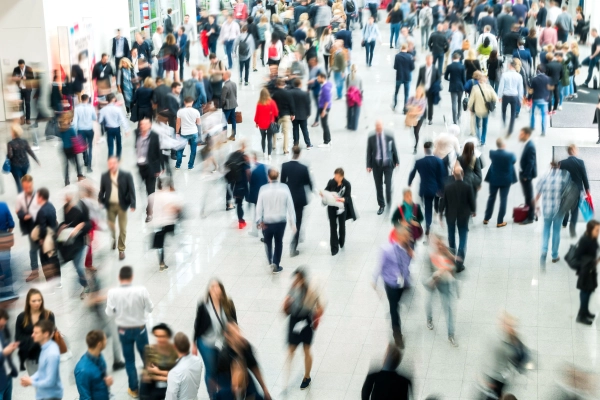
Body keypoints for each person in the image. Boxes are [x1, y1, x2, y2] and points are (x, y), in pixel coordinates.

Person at [105, 266, 154, 399]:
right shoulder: (141, 290)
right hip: (140, 329)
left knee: (129, 360)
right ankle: (149, 386)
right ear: (131, 277)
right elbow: (150, 308)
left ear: (119, 278)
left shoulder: (112, 292)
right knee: (146, 358)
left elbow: (109, 312)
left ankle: (133, 389)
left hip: (123, 330)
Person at [192, 280, 237, 398]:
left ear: (222, 290)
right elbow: (197, 324)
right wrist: (194, 343)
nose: (215, 290)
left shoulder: (228, 304)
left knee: (224, 369)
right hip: (206, 342)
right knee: (211, 370)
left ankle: (225, 393)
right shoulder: (203, 305)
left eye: (218, 287)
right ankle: (213, 395)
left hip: (223, 342)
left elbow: (234, 323)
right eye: (212, 287)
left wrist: (234, 338)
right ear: (209, 291)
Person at [283, 268, 323, 390]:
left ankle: (307, 376)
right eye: (295, 278)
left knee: (306, 349)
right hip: (294, 320)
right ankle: (287, 376)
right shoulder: (292, 289)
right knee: (291, 350)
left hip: (306, 321)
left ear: (303, 279)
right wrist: (286, 306)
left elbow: (320, 308)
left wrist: (316, 314)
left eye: (298, 278)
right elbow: (286, 309)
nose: (296, 281)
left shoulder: (311, 292)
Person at [373, 225, 412, 349]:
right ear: (398, 236)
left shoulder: (407, 248)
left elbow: (406, 264)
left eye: (408, 236)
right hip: (391, 284)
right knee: (394, 309)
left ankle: (394, 309)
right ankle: (397, 334)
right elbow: (379, 266)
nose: (408, 238)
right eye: (406, 236)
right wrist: (374, 280)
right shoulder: (387, 250)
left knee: (398, 303)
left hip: (403, 282)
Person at [215, 322, 272, 400]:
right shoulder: (224, 356)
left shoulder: (245, 346)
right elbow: (221, 382)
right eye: (234, 333)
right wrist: (234, 387)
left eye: (238, 331)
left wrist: (265, 389)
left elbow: (254, 367)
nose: (238, 335)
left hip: (244, 378)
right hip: (229, 381)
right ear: (227, 336)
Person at [256, 168, 296, 273]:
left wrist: (258, 220)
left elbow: (259, 207)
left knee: (268, 243)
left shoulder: (263, 189)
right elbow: (290, 206)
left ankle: (270, 261)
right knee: (279, 242)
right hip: (281, 221)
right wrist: (293, 223)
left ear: (268, 177)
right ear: (278, 176)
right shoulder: (285, 188)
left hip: (267, 222)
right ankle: (276, 264)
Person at [480, 313, 529, 400]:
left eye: (512, 325)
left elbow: (520, 357)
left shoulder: (514, 340)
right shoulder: (500, 341)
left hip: (501, 377)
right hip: (497, 377)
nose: (512, 328)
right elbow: (492, 361)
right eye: (508, 325)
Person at [98, 157, 136, 260]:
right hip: (110, 205)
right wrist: (100, 201)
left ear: (117, 164)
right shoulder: (105, 176)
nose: (112, 165)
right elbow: (102, 191)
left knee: (123, 228)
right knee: (111, 227)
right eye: (110, 164)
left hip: (122, 205)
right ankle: (114, 238)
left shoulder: (126, 175)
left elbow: (132, 189)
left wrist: (133, 204)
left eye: (114, 163)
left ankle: (121, 249)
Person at [440, 167, 476, 273]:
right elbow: (471, 200)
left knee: (451, 236)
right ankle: (459, 264)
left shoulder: (448, 187)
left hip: (450, 215)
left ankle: (451, 259)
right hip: (463, 216)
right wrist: (473, 211)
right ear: (463, 174)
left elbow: (443, 201)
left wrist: (440, 213)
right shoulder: (468, 187)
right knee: (463, 237)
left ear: (453, 174)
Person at [535, 161, 570, 266]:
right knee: (556, 232)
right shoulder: (564, 177)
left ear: (550, 165)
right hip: (559, 209)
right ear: (559, 166)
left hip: (547, 209)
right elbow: (568, 193)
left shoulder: (544, 177)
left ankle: (544, 251)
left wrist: (537, 207)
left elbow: (538, 194)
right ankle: (554, 255)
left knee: (546, 229)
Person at [408, 142, 446, 236]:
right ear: (432, 149)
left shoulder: (419, 161)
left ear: (424, 149)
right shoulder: (439, 161)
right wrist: (442, 188)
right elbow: (442, 176)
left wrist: (409, 182)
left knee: (427, 207)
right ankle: (436, 213)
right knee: (436, 204)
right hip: (436, 188)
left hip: (424, 189)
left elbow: (412, 173)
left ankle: (428, 224)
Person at [281, 147, 313, 257]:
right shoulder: (303, 168)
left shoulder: (285, 166)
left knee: (292, 218)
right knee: (298, 221)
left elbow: (282, 182)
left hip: (289, 197)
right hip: (300, 198)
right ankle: (293, 245)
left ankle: (295, 229)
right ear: (300, 154)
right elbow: (308, 183)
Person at [19, 320, 62, 399]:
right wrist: (30, 379)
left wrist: (31, 382)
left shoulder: (51, 354)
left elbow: (50, 382)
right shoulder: (45, 348)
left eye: (36, 333)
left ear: (45, 334)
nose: (32, 335)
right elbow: (42, 371)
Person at [15, 289, 56, 375]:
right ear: (28, 302)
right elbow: (18, 338)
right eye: (34, 301)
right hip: (31, 358)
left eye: (39, 300)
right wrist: (38, 338)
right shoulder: (22, 317)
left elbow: (51, 335)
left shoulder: (48, 315)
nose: (37, 303)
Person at [366, 121, 400, 215]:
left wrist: (397, 161)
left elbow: (394, 149)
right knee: (378, 185)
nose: (379, 128)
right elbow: (369, 151)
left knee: (388, 185)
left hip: (388, 164)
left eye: (380, 126)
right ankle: (381, 205)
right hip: (376, 165)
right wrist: (368, 165)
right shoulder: (371, 137)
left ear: (383, 126)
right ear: (375, 127)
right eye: (377, 127)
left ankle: (389, 201)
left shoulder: (389, 136)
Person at [151, 177, 184, 271]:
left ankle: (161, 262)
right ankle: (178, 242)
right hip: (168, 222)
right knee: (170, 234)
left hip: (157, 223)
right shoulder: (169, 195)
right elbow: (176, 208)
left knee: (160, 242)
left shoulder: (153, 196)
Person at [484, 138, 518, 227]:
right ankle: (499, 221)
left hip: (494, 179)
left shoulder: (492, 153)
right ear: (504, 145)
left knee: (491, 197)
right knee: (503, 199)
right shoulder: (510, 155)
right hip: (505, 180)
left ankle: (486, 218)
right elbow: (514, 161)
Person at [139, 323, 178, 400]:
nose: (159, 339)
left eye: (162, 336)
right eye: (157, 336)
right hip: (156, 385)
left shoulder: (175, 351)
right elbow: (148, 374)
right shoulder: (150, 349)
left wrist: (158, 372)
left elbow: (178, 377)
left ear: (168, 336)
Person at [323, 168, 356, 256]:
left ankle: (341, 241)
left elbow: (348, 197)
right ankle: (334, 247)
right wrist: (324, 194)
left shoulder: (347, 184)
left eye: (337, 177)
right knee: (333, 227)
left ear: (342, 177)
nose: (335, 178)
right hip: (332, 208)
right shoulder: (331, 182)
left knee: (342, 226)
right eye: (335, 176)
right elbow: (326, 191)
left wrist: (343, 199)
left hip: (341, 208)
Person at [15, 175, 42, 281]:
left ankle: (49, 269)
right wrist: (23, 215)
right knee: (33, 249)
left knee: (43, 248)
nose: (27, 189)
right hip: (30, 228)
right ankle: (35, 270)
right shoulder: (20, 198)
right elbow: (18, 211)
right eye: (25, 187)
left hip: (40, 226)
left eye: (29, 187)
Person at [74, 330, 114, 400]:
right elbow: (85, 397)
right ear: (99, 344)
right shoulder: (82, 370)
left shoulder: (99, 356)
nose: (106, 341)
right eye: (105, 340)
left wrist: (106, 381)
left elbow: (100, 376)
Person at [31, 188, 61, 284]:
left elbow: (42, 227)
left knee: (45, 261)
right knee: (54, 258)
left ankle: (50, 282)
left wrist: (41, 239)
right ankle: (58, 281)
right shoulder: (51, 206)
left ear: (41, 197)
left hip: (46, 239)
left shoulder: (41, 211)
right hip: (54, 236)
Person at [560, 145, 590, 237]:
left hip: (564, 189)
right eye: (576, 150)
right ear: (573, 151)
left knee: (565, 206)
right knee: (575, 210)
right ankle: (572, 230)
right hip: (577, 189)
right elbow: (584, 177)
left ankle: (564, 222)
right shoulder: (580, 162)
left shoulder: (561, 163)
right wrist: (587, 190)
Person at [573, 220, 599, 325]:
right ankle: (581, 316)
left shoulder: (593, 238)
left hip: (591, 269)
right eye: (597, 230)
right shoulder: (584, 240)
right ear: (590, 229)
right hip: (585, 271)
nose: (598, 232)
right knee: (585, 292)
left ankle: (585, 311)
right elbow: (578, 256)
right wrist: (586, 264)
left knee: (589, 291)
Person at [165, 332, 203, 400]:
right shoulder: (198, 361)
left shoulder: (175, 371)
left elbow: (171, 396)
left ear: (174, 347)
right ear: (188, 345)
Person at [6, 124, 39, 193]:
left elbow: (10, 155)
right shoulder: (24, 141)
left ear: (13, 133)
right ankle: (28, 193)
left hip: (15, 166)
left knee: (18, 183)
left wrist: (6, 154)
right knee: (25, 180)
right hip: (25, 164)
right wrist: (36, 160)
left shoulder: (10, 143)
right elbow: (30, 151)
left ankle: (21, 197)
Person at [467, 74, 498, 146]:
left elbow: (471, 100)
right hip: (486, 110)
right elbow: (495, 98)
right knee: (485, 125)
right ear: (486, 80)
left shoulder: (475, 88)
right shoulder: (489, 88)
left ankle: (478, 138)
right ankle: (483, 140)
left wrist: (469, 107)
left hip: (477, 110)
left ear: (479, 80)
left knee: (477, 125)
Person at [99, 93, 129, 159]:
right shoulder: (118, 109)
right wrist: (126, 129)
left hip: (109, 129)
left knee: (110, 146)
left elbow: (100, 120)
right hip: (117, 129)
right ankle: (118, 158)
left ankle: (111, 160)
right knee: (119, 144)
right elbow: (122, 119)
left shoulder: (103, 110)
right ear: (113, 99)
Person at [498, 60, 524, 136]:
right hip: (514, 95)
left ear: (510, 66)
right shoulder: (519, 76)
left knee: (503, 111)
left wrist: (499, 96)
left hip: (506, 95)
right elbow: (520, 88)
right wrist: (520, 98)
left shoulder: (504, 75)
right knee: (513, 113)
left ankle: (504, 123)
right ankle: (510, 129)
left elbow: (501, 86)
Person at [73, 94, 96, 173]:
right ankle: (89, 166)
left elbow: (75, 121)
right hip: (89, 129)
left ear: (81, 99)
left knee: (83, 146)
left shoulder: (77, 108)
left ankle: (85, 160)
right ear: (87, 99)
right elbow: (94, 118)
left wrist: (74, 132)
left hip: (80, 130)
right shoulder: (91, 107)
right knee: (90, 147)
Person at [175, 97, 201, 170]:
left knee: (180, 150)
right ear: (192, 102)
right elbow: (199, 123)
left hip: (184, 133)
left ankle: (178, 165)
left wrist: (177, 132)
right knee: (193, 150)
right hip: (194, 132)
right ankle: (190, 166)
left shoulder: (180, 112)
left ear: (184, 102)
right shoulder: (196, 111)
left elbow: (178, 123)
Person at [271, 78, 295, 154]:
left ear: (277, 85)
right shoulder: (288, 93)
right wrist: (293, 114)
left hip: (276, 116)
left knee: (274, 131)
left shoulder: (274, 94)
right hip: (286, 115)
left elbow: (272, 105)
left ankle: (274, 145)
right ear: (283, 84)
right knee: (286, 133)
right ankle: (285, 149)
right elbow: (292, 104)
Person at [518, 127, 537, 225]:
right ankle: (529, 213)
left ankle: (530, 217)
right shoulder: (526, 144)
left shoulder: (530, 146)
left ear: (526, 135)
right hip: (523, 174)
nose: (519, 136)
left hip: (526, 176)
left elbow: (531, 163)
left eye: (521, 134)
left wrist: (525, 176)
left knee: (529, 196)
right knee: (527, 195)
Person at [416, 54, 441, 126]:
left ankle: (430, 118)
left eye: (430, 60)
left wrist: (436, 87)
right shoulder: (422, 68)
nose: (429, 61)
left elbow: (438, 79)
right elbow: (419, 79)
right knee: (423, 104)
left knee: (430, 104)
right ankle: (424, 117)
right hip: (423, 89)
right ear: (426, 60)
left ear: (432, 60)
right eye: (428, 60)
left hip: (431, 89)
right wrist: (417, 88)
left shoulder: (435, 69)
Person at [254, 88, 279, 160]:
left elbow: (257, 114)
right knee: (269, 139)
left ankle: (264, 152)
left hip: (261, 124)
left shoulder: (259, 103)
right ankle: (269, 155)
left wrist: (257, 122)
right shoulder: (272, 102)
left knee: (263, 138)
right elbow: (276, 113)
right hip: (270, 124)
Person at [529, 64, 552, 136]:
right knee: (543, 116)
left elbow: (531, 90)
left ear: (537, 71)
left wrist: (529, 98)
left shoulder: (534, 79)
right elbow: (550, 91)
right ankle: (543, 131)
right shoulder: (548, 79)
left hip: (536, 99)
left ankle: (532, 127)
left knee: (533, 113)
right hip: (544, 100)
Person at [0, 309, 18, 399]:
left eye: (3, 326)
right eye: (1, 326)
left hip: (7, 377)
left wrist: (10, 348)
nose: (2, 329)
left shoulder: (1, 332)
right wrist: (4, 353)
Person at [445, 52, 466, 124]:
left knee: (453, 103)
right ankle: (459, 116)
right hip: (460, 86)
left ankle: (454, 120)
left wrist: (450, 80)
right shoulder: (462, 66)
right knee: (459, 101)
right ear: (459, 58)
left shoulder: (449, 66)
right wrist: (465, 87)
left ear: (452, 58)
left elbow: (445, 77)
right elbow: (464, 78)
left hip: (453, 86)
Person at [392, 44, 414, 114]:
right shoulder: (410, 56)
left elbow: (395, 67)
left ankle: (395, 105)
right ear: (407, 48)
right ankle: (405, 109)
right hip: (407, 77)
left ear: (401, 48)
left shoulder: (397, 56)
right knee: (406, 94)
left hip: (399, 76)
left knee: (396, 92)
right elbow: (412, 67)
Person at [289, 79, 312, 148]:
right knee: (304, 129)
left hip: (294, 115)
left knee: (295, 129)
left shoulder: (290, 93)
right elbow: (308, 104)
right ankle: (308, 144)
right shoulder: (305, 93)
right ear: (300, 84)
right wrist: (308, 113)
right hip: (303, 115)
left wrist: (291, 113)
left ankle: (296, 144)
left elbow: (289, 104)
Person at [405, 86, 427, 154]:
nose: (417, 93)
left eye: (419, 92)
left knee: (416, 131)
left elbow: (422, 111)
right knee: (413, 131)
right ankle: (416, 141)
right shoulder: (412, 98)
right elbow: (407, 106)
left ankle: (416, 146)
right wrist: (413, 108)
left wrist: (414, 111)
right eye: (417, 91)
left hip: (419, 118)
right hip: (412, 118)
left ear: (422, 93)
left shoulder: (423, 100)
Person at [316, 72, 332, 147]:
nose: (317, 79)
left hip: (324, 107)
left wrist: (324, 110)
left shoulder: (325, 88)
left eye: (319, 78)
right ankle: (329, 139)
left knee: (324, 124)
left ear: (323, 78)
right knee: (325, 124)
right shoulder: (327, 84)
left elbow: (327, 100)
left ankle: (326, 142)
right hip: (324, 107)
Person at [221, 71, 238, 141]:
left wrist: (222, 106)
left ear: (226, 76)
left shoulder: (225, 86)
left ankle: (224, 138)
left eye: (223, 75)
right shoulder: (234, 83)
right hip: (233, 104)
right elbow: (235, 94)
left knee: (224, 121)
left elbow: (223, 98)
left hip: (227, 106)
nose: (222, 76)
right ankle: (233, 135)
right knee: (233, 120)